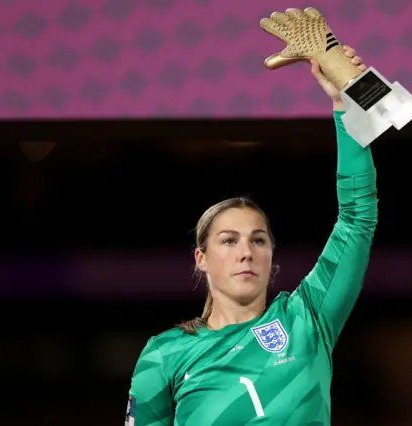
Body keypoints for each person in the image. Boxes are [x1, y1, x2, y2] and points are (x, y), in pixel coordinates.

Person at [125, 46, 378, 426]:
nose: (246, 251)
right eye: (229, 240)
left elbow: (357, 218)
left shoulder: (305, 319)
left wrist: (346, 103)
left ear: (271, 255)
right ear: (201, 259)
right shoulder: (164, 354)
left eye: (258, 240)